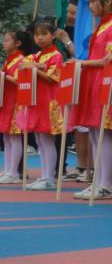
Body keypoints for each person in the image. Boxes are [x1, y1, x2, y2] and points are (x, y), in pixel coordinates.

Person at [71, 0, 112, 201]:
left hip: (104, 83)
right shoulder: (102, 26)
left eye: (95, 1)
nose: (91, 6)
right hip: (94, 82)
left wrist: (82, 63)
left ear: (108, 3)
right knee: (95, 135)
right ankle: (98, 180)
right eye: (90, 1)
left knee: (104, 135)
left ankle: (106, 184)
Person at [20, 20, 66, 191]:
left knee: (47, 140)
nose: (39, 38)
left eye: (44, 34)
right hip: (37, 101)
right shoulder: (37, 56)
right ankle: (44, 175)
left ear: (53, 35)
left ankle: (49, 177)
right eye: (36, 34)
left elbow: (53, 77)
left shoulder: (56, 55)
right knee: (40, 140)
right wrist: (34, 65)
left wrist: (35, 68)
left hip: (49, 102)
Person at [0, 30, 38, 183]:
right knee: (7, 137)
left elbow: (20, 81)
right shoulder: (9, 60)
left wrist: (3, 76)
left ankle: (14, 172)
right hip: (7, 101)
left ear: (18, 43)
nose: (4, 43)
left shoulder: (21, 60)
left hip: (17, 103)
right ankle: (8, 169)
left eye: (7, 40)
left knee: (15, 137)